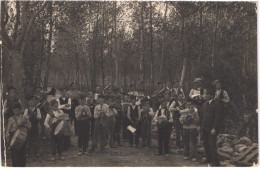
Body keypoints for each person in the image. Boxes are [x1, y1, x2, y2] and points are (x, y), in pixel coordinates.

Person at [200, 88, 224, 166]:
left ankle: (215, 162)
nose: (206, 95)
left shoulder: (217, 104)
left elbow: (218, 118)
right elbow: (202, 117)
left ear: (212, 95)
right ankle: (208, 159)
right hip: (204, 128)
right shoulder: (204, 104)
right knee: (206, 144)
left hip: (212, 129)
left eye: (207, 94)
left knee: (212, 145)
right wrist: (201, 127)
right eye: (205, 94)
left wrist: (214, 128)